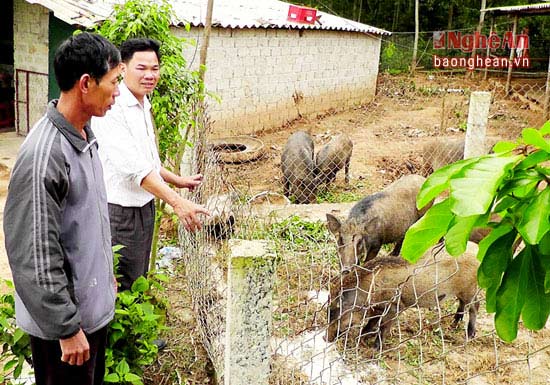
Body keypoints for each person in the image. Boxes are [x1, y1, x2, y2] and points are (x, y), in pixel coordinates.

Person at [3, 32, 123, 385]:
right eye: (114, 81)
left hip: (86, 313)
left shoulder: (85, 135)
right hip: (66, 331)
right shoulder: (46, 155)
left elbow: (85, 222)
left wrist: (104, 272)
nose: (118, 91)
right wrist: (66, 328)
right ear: (86, 84)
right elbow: (33, 254)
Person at [91, 38, 209, 293]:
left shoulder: (143, 103)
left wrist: (178, 180)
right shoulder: (113, 108)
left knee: (139, 275)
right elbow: (136, 170)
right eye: (141, 68)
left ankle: (136, 331)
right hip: (120, 212)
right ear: (122, 69)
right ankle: (120, 333)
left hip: (143, 206)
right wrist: (178, 202)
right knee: (121, 285)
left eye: (154, 68)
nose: (150, 75)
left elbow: (148, 161)